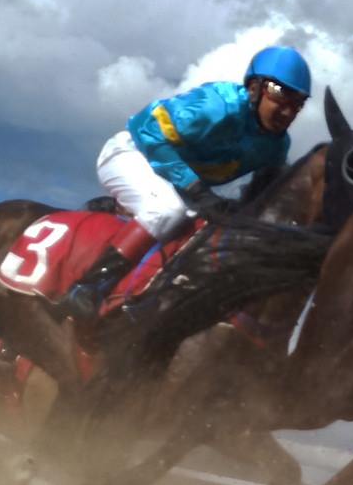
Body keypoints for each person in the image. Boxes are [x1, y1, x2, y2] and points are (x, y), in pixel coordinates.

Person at [62, 46, 312, 320]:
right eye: (280, 94)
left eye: (298, 103)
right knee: (167, 210)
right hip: (133, 153)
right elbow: (148, 130)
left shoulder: (277, 146)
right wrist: (196, 189)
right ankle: (90, 285)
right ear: (255, 87)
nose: (288, 111)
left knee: (209, 232)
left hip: (176, 185)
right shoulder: (218, 106)